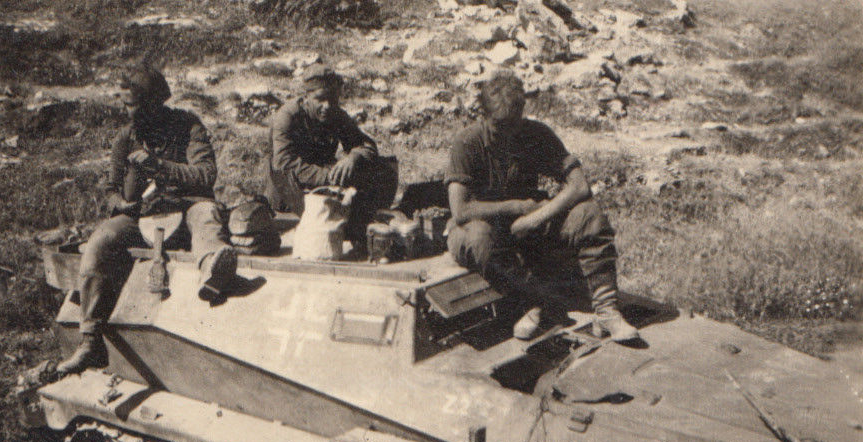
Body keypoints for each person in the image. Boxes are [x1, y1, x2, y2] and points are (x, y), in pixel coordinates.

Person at [58, 63, 237, 374]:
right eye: (126, 105)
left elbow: (206, 174)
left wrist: (160, 165)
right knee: (99, 243)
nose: (129, 113)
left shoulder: (187, 126)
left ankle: (213, 270)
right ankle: (89, 341)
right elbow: (112, 189)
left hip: (187, 204)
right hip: (141, 215)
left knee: (207, 216)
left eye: (135, 105)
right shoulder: (126, 137)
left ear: (156, 102)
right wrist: (124, 205)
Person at [444, 71, 639, 342]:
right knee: (478, 238)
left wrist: (535, 218)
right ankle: (531, 303)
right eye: (501, 127)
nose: (510, 134)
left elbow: (579, 186)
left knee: (588, 214)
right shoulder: (467, 143)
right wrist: (518, 208)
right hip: (482, 226)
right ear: (484, 115)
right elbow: (461, 210)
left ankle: (606, 311)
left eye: (516, 124)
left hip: (527, 224)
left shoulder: (535, 134)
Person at [265, 63, 398, 252]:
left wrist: (352, 158)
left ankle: (363, 232)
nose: (327, 106)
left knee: (383, 169)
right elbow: (284, 164)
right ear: (306, 97)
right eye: (320, 99)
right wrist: (330, 176)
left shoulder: (335, 115)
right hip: (289, 193)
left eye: (332, 99)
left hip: (325, 186)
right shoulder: (287, 118)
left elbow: (366, 145)